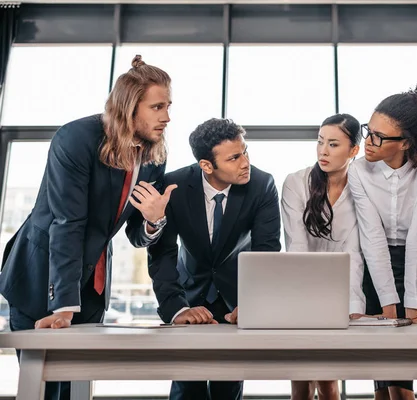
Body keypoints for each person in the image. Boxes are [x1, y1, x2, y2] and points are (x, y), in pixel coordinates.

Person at [0, 55, 175, 400]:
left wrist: (155, 220)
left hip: (91, 287)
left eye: (169, 106)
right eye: (157, 107)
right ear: (129, 107)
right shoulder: (76, 138)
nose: (167, 117)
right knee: (48, 391)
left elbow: (135, 234)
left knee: (77, 391)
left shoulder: (154, 154)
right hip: (42, 279)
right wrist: (63, 306)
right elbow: (68, 224)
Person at [147, 117, 281, 400]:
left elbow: (266, 250)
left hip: (237, 298)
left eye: (245, 152)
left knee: (228, 387)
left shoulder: (261, 183)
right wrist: (176, 308)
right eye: (234, 157)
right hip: (188, 294)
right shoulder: (174, 186)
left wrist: (252, 304)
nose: (244, 162)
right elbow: (162, 253)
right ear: (207, 165)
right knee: (186, 386)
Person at [348, 88, 417, 400]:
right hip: (374, 266)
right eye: (368, 132)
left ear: (406, 143)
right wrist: (388, 307)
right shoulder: (358, 171)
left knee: (402, 379)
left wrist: (411, 309)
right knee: (382, 376)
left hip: (415, 266)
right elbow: (371, 239)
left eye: (378, 137)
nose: (368, 142)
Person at [282, 113, 363, 400]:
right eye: (319, 142)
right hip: (301, 291)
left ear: (354, 150)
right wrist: (306, 305)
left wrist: (355, 304)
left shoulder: (361, 188)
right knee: (301, 381)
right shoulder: (296, 182)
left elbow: (355, 252)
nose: (323, 151)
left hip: (339, 293)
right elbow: (297, 247)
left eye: (333, 144)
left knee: (329, 382)